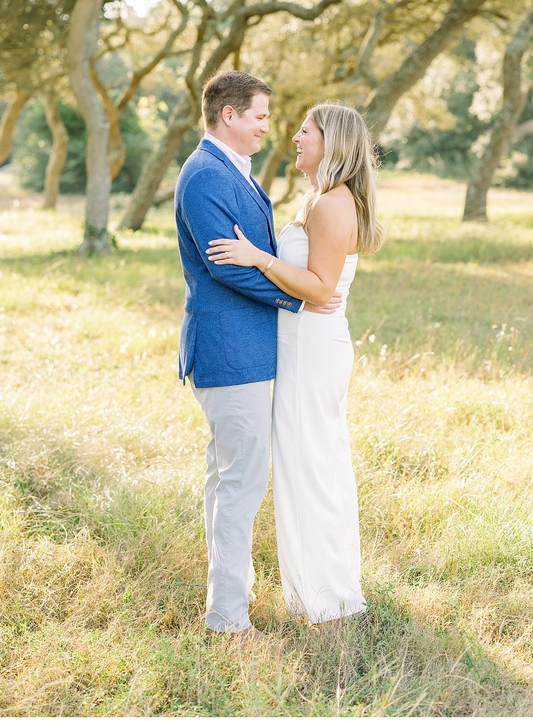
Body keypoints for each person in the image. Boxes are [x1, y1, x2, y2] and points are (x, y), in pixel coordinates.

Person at [207, 102, 384, 624]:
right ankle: (324, 592)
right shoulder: (321, 198)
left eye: (306, 130)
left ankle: (326, 600)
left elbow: (319, 289)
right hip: (304, 346)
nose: (295, 136)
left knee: (310, 469)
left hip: (311, 349)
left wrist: (258, 257)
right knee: (310, 465)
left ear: (332, 142)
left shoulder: (331, 202)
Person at [174, 71, 338, 639]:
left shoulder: (229, 171)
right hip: (230, 351)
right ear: (230, 116)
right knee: (240, 481)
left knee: (229, 479)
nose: (269, 127)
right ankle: (226, 616)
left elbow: (249, 254)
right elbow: (223, 263)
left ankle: (226, 601)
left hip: (246, 351)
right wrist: (300, 299)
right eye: (261, 116)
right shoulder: (204, 176)